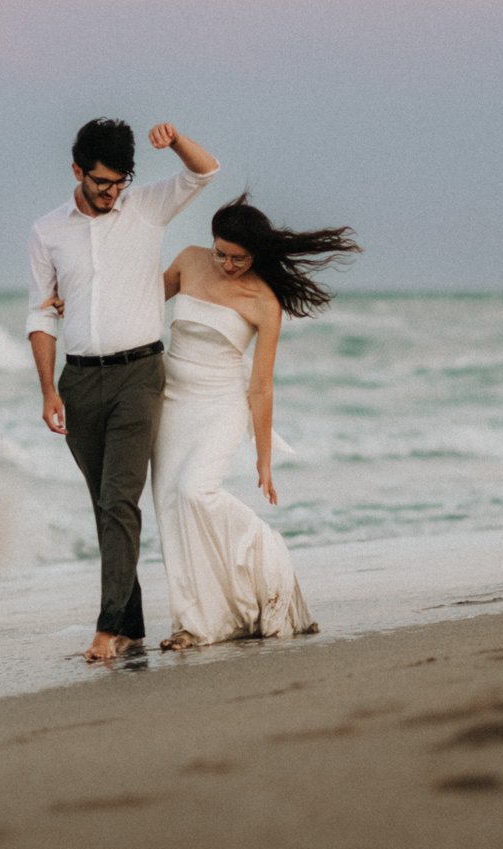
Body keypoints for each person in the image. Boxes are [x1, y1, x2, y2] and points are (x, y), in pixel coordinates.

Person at [27, 118, 219, 663]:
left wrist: (177, 140)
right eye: (102, 183)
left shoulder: (148, 206)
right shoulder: (47, 231)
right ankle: (131, 623)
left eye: (120, 182)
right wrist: (48, 390)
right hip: (80, 379)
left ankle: (108, 628)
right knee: (105, 504)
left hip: (140, 373)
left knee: (118, 500)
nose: (113, 193)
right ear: (77, 172)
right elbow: (40, 313)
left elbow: (206, 170)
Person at [150, 194, 360, 650]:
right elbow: (141, 304)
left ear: (256, 254)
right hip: (172, 401)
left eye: (238, 258)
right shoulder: (189, 261)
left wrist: (264, 459)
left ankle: (265, 554)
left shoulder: (264, 302)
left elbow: (261, 387)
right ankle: (193, 623)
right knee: (169, 508)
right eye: (221, 253)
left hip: (222, 402)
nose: (227, 264)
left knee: (195, 491)